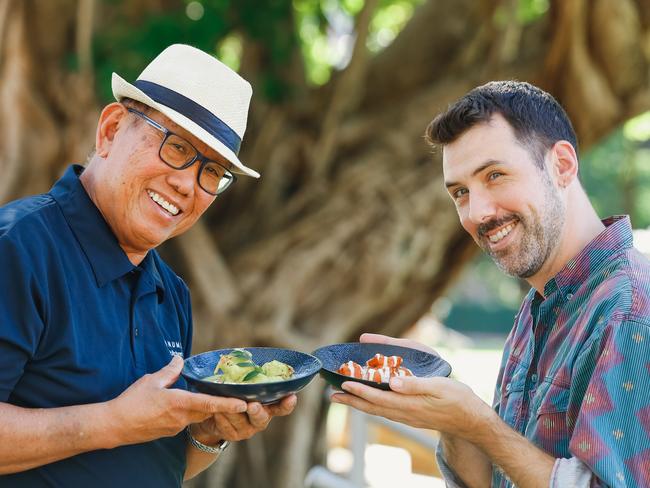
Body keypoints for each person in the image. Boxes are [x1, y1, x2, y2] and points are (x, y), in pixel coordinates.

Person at [0, 44, 296, 486]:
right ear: (111, 130)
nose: (186, 183)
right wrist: (110, 422)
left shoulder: (171, 294)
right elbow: (119, 428)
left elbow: (158, 464)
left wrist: (207, 433)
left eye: (213, 172)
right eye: (176, 147)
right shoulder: (19, 247)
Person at [331, 81, 650, 487]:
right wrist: (450, 414)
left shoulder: (630, 310)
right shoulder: (541, 302)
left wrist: (480, 424)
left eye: (495, 175)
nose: (477, 212)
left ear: (563, 166)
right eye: (461, 192)